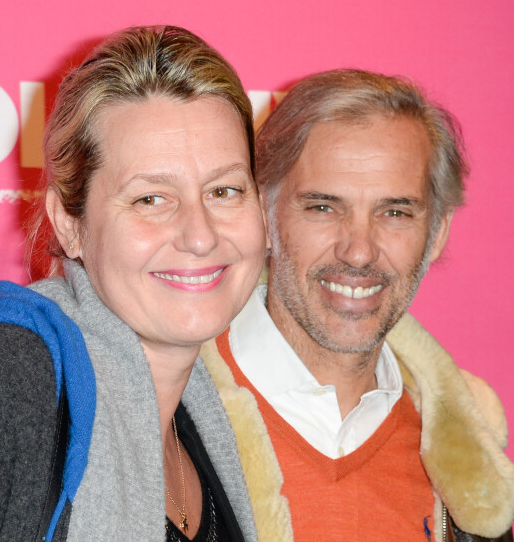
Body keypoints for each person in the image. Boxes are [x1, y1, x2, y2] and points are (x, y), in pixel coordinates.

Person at [0, 25, 267, 541]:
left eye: (224, 191)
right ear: (70, 225)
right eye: (150, 199)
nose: (200, 236)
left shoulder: (208, 427)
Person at [200, 70, 514, 541]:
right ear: (265, 214)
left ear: (437, 233)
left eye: (395, 212)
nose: (359, 250)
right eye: (324, 207)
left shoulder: (469, 453)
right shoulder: (166, 418)